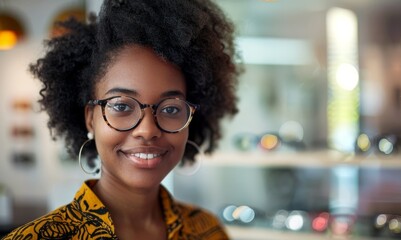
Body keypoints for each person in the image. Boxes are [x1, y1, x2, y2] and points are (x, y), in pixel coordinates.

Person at [2, 0, 240, 239]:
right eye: (122, 106)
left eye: (170, 109)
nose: (147, 130)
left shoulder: (208, 230)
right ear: (90, 119)